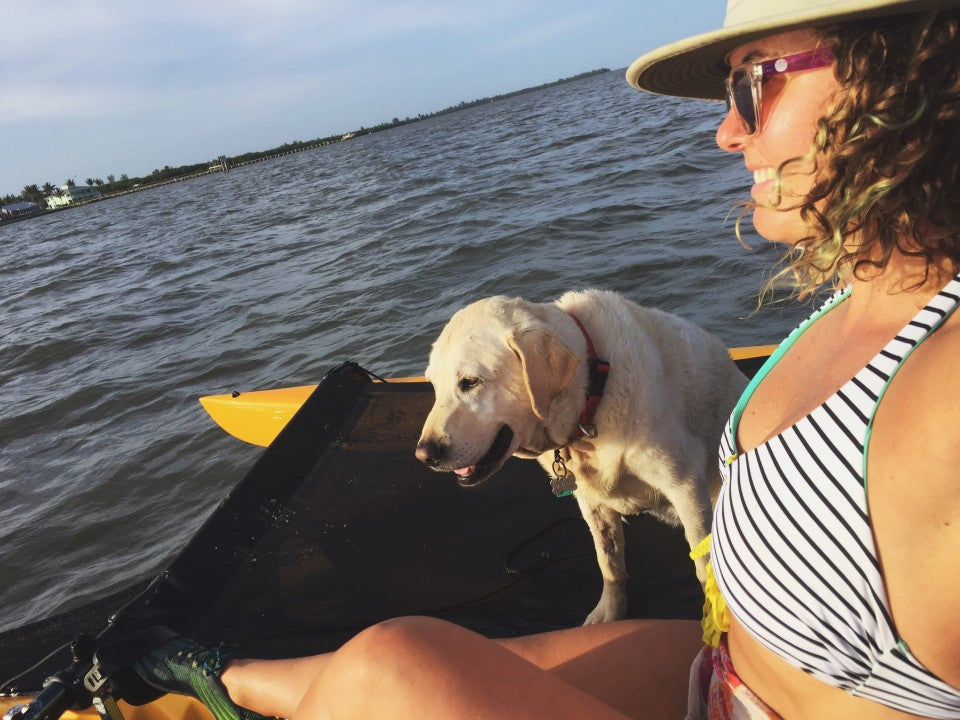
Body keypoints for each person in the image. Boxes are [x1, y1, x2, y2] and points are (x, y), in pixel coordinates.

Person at [130, 0, 960, 717]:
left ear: (909, 72)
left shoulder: (945, 391)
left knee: (395, 665)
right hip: (733, 662)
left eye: (754, 81)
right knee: (378, 665)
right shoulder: (850, 309)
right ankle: (225, 673)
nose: (726, 130)